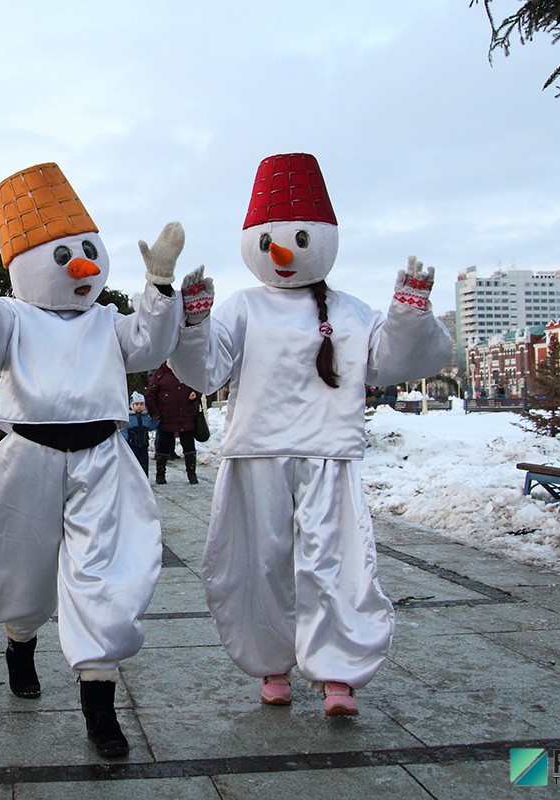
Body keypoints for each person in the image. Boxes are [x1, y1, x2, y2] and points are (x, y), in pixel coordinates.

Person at [169, 153, 452, 716]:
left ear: (323, 239)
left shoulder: (348, 312)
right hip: (257, 454)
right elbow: (204, 371)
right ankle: (272, 660)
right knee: (259, 560)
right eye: (272, 238)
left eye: (299, 238)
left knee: (335, 560)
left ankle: (337, 669)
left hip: (329, 453)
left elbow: (392, 360)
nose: (284, 251)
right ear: (253, 241)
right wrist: (194, 324)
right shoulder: (243, 308)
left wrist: (409, 314)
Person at [0, 163, 188, 758]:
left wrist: (161, 285)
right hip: (30, 456)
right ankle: (21, 639)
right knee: (23, 559)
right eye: (64, 256)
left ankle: (99, 703)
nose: (83, 267)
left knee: (105, 569)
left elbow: (152, 342)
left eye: (89, 253)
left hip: (101, 457)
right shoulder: (14, 318)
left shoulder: (107, 322)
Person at [145, 362, 201, 484]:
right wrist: (155, 412)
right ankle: (160, 474)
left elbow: (199, 385)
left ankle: (192, 474)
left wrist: (195, 394)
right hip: (166, 417)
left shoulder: (188, 369)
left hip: (186, 416)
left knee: (189, 446)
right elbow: (150, 395)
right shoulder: (160, 373)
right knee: (163, 446)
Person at [123, 391, 158, 477]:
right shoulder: (129, 418)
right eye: (137, 404)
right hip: (132, 446)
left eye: (141, 404)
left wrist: (157, 420)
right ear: (132, 405)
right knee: (133, 463)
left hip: (144, 445)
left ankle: (144, 478)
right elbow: (124, 430)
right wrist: (124, 441)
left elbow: (150, 426)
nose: (139, 406)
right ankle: (132, 479)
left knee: (144, 463)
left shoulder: (145, 418)